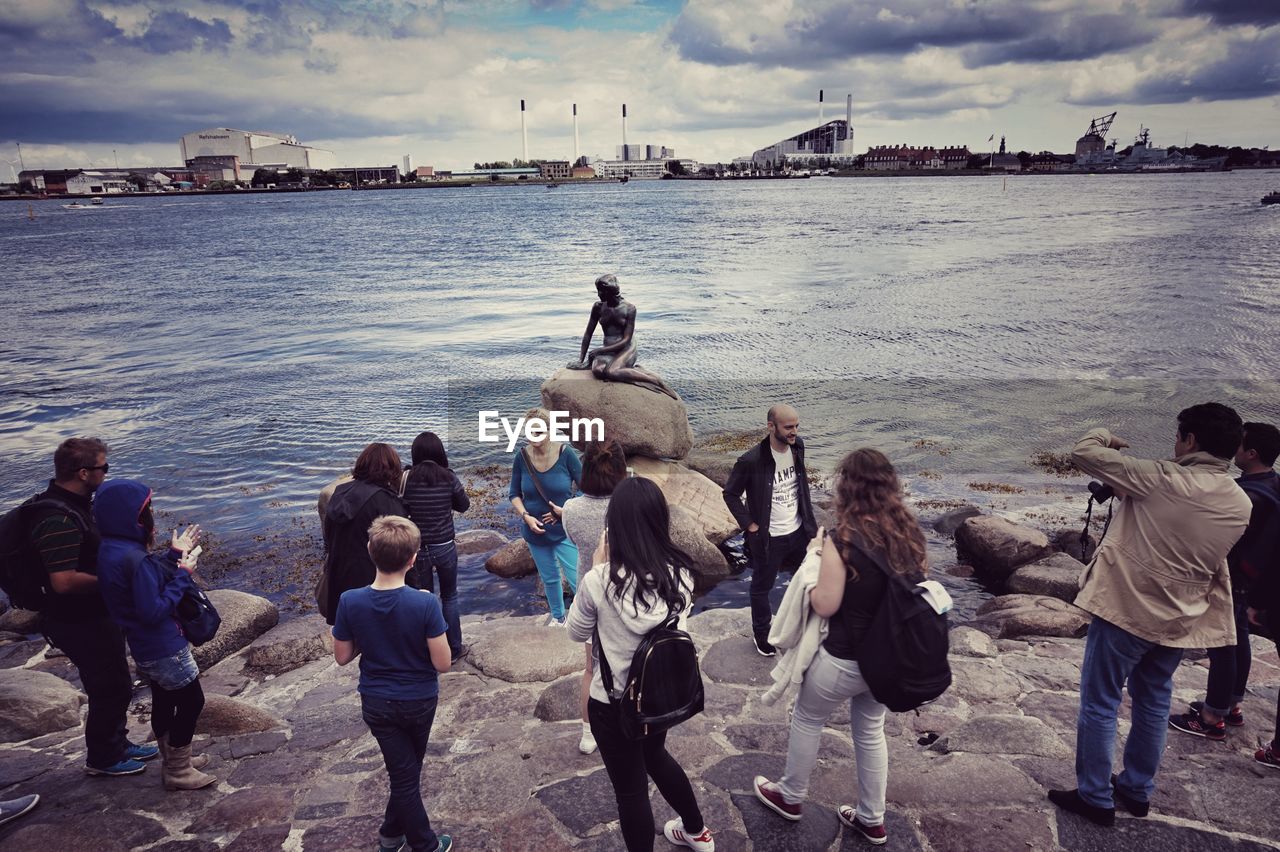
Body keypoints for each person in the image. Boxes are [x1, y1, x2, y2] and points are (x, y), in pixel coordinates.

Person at [1049, 403, 1252, 826]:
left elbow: (1084, 450)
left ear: (1191, 440)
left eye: (1178, 437)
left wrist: (1110, 437)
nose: (1174, 444)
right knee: (1154, 701)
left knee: (1101, 702)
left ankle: (1095, 796)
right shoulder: (1239, 501)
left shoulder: (1159, 479)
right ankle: (1137, 789)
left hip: (1126, 609)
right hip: (1180, 616)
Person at [752, 449, 923, 847]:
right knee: (870, 730)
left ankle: (790, 797)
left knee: (808, 719)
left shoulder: (843, 538)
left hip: (844, 659)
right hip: (887, 660)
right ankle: (872, 819)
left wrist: (815, 556)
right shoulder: (909, 533)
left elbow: (825, 604)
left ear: (847, 486)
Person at [566, 477, 715, 852]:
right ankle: (697, 831)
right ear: (658, 521)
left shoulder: (600, 580)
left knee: (631, 792)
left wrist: (597, 569)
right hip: (657, 697)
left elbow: (575, 631)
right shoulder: (680, 573)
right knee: (656, 756)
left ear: (614, 526)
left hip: (613, 704)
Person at [31, 438, 158, 777]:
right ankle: (103, 758)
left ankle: (117, 742)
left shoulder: (77, 504)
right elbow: (63, 581)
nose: (107, 473)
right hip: (76, 619)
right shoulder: (56, 518)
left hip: (94, 613)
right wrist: (115, 581)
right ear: (84, 472)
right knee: (109, 684)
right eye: (104, 468)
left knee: (116, 678)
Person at [332, 515, 453, 852]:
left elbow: (341, 656)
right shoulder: (425, 603)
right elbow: (443, 663)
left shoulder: (349, 601)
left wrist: (366, 634)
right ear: (414, 558)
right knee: (405, 776)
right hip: (418, 701)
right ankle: (425, 845)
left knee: (405, 774)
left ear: (370, 550)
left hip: (377, 702)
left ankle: (390, 836)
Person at [94, 478, 214, 791]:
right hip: (165, 646)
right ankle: (178, 770)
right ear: (134, 517)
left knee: (163, 699)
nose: (152, 518)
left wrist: (174, 555)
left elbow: (141, 584)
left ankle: (173, 759)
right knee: (192, 702)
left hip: (142, 647)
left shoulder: (110, 549)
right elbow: (153, 610)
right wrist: (184, 575)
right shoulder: (135, 558)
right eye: (148, 511)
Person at [1170, 421, 1280, 741]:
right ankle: (1230, 705)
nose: (1234, 448)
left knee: (1222, 645)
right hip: (1254, 581)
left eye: (1239, 444)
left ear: (1251, 453)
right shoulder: (1273, 484)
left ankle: (1211, 717)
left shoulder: (1249, 494)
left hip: (1234, 577)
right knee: (1237, 640)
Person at [722, 404, 818, 656]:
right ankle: (762, 636)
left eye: (796, 426)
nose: (794, 432)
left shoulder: (798, 447)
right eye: (788, 427)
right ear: (771, 426)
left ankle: (806, 628)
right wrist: (750, 525)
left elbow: (801, 487)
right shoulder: (751, 460)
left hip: (799, 533)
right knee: (761, 589)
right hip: (769, 538)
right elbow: (730, 494)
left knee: (809, 580)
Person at [562, 438, 629, 756]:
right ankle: (629, 723)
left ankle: (588, 734)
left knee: (591, 668)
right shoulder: (631, 504)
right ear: (621, 470)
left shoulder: (572, 510)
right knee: (629, 666)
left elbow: (574, 541)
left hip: (588, 594)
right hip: (628, 596)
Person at [508, 407, 582, 626]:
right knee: (549, 579)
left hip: (563, 529)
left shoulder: (566, 454)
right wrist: (525, 517)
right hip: (534, 531)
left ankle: (586, 619)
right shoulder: (521, 458)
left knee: (577, 579)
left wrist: (564, 510)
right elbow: (514, 494)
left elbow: (585, 488)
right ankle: (558, 618)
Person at [401, 431, 471, 663]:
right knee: (449, 596)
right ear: (439, 452)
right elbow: (464, 506)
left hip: (417, 548)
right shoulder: (448, 477)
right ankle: (454, 649)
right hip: (444, 546)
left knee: (424, 599)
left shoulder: (406, 478)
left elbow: (401, 507)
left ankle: (428, 650)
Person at [320, 443, 408, 625]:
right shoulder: (385, 501)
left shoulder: (339, 492)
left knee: (353, 632)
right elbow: (400, 548)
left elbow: (328, 536)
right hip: (372, 580)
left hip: (340, 577)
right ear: (392, 468)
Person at [565, 273, 678, 399]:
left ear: (609, 291)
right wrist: (581, 360)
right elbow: (588, 334)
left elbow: (626, 340)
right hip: (609, 349)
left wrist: (600, 350)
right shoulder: (598, 307)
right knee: (598, 371)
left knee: (611, 371)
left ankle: (655, 381)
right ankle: (630, 373)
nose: (598, 294)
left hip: (626, 348)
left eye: (600, 291)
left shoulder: (629, 308)